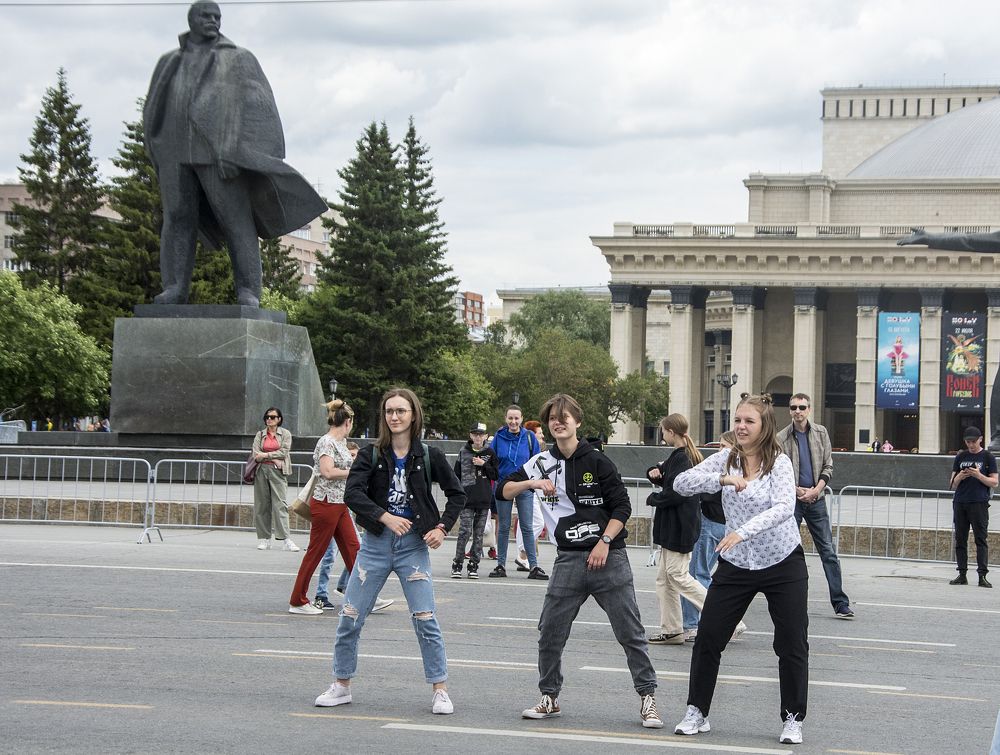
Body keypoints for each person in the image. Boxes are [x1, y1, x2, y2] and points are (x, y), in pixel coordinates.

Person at [142, 1, 326, 306]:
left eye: (217, 17)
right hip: (173, 150)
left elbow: (258, 104)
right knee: (176, 218)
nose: (213, 21)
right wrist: (155, 147)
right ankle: (174, 288)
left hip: (217, 153)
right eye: (206, 16)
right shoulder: (169, 62)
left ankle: (248, 291)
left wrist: (238, 149)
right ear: (192, 19)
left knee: (235, 219)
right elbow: (153, 105)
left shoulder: (237, 58)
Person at [500, 393, 664, 729]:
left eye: (564, 417)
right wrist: (531, 483)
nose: (558, 423)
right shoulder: (542, 461)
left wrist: (604, 541)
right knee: (549, 632)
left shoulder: (598, 461)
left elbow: (623, 508)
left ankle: (648, 699)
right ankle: (550, 697)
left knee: (630, 631)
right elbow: (504, 489)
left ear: (578, 421)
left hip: (609, 558)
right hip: (568, 560)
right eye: (552, 419)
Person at [314, 387, 466, 715]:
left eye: (401, 411)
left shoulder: (430, 455)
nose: (394, 417)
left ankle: (440, 689)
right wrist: (384, 516)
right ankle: (341, 685)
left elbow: (457, 494)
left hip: (413, 547)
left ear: (413, 415)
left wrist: (441, 527)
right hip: (375, 545)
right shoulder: (370, 455)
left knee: (425, 618)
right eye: (389, 411)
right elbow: (353, 494)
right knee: (350, 617)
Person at [672, 393, 808, 745]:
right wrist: (721, 480)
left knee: (791, 642)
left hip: (782, 560)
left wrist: (742, 531)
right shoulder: (725, 459)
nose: (741, 426)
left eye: (749, 421)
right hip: (736, 563)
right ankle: (696, 712)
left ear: (764, 427)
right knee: (708, 638)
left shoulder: (779, 463)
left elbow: (782, 508)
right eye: (737, 420)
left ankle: (792, 718)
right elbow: (680, 483)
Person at [647, 415, 748, 644]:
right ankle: (672, 629)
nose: (662, 434)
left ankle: (729, 619)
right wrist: (655, 476)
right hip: (675, 525)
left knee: (680, 576)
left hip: (679, 526)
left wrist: (655, 498)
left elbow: (676, 491)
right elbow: (670, 481)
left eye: (663, 431)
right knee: (665, 579)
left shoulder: (683, 458)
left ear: (671, 432)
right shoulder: (681, 457)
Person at [777, 393, 853, 619]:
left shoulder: (821, 433)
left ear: (809, 409)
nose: (798, 411)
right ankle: (784, 599)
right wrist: (797, 490)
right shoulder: (781, 438)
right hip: (794, 500)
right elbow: (778, 471)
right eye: (793, 407)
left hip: (817, 499)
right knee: (787, 550)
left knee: (828, 551)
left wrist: (817, 490)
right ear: (790, 410)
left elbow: (828, 465)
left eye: (802, 407)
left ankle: (840, 603)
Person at [288, 401, 360, 615]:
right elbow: (327, 472)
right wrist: (353, 473)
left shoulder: (340, 441)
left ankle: (364, 596)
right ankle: (297, 601)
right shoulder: (327, 442)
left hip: (338, 503)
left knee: (354, 550)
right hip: (327, 502)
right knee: (316, 552)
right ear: (347, 422)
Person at [680, 431, 746, 642]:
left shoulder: (725, 469)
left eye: (723, 447)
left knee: (697, 574)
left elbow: (703, 491)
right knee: (708, 574)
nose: (719, 451)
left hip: (710, 523)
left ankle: (693, 624)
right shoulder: (742, 467)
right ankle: (726, 621)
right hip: (726, 526)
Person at [314, 441, 393, 613]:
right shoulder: (335, 460)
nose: (353, 459)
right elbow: (326, 475)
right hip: (330, 507)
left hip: (343, 512)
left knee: (356, 551)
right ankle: (320, 595)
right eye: (350, 456)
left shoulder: (356, 474)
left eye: (355, 456)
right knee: (327, 555)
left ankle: (345, 587)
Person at [490, 405, 547, 580]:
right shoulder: (499, 437)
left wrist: (535, 483)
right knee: (504, 526)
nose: (513, 422)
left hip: (524, 484)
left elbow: (538, 461)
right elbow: (491, 459)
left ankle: (533, 566)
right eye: (510, 418)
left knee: (527, 526)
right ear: (506, 419)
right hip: (505, 485)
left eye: (516, 418)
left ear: (521, 419)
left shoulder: (529, 437)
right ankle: (500, 565)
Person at [948, 426, 997, 588]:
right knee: (960, 539)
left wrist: (978, 475)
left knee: (980, 539)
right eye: (968, 442)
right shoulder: (961, 456)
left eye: (973, 442)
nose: (971, 445)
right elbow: (952, 485)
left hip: (979, 503)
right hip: (960, 502)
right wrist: (960, 476)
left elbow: (994, 482)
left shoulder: (988, 457)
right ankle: (962, 574)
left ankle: (982, 575)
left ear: (980, 439)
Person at [452, 422, 499, 579]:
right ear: (471, 436)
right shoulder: (463, 452)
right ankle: (457, 563)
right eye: (475, 434)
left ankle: (474, 565)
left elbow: (496, 475)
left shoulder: (490, 453)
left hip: (484, 499)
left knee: (479, 534)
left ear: (486, 436)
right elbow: (455, 475)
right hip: (466, 500)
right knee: (464, 532)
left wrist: (484, 464)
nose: (478, 437)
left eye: (481, 434)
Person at [252, 407, 297, 551]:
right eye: (267, 417)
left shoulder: (285, 434)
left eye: (272, 417)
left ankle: (286, 539)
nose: (269, 419)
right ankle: (264, 539)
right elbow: (255, 454)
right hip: (261, 471)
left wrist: (265, 455)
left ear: (279, 419)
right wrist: (272, 457)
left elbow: (284, 451)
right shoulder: (260, 434)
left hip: (278, 472)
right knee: (262, 505)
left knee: (280, 505)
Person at [515, 420, 548, 571]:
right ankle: (523, 552)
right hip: (529, 487)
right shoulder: (529, 448)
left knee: (526, 524)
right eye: (539, 433)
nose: (542, 435)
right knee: (537, 523)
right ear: (532, 435)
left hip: (535, 488)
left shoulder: (540, 448)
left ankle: (523, 556)